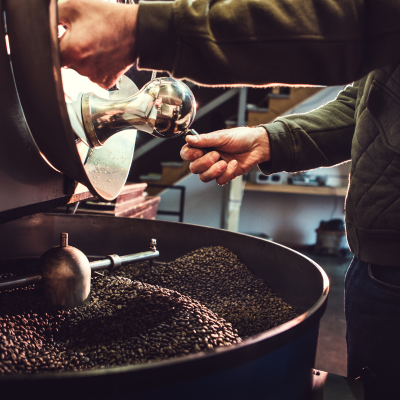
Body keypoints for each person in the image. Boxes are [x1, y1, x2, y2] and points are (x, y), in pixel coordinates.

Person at [58, 0, 400, 397]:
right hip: (376, 264)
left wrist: (145, 28)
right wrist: (270, 138)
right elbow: (367, 101)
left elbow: (359, 18)